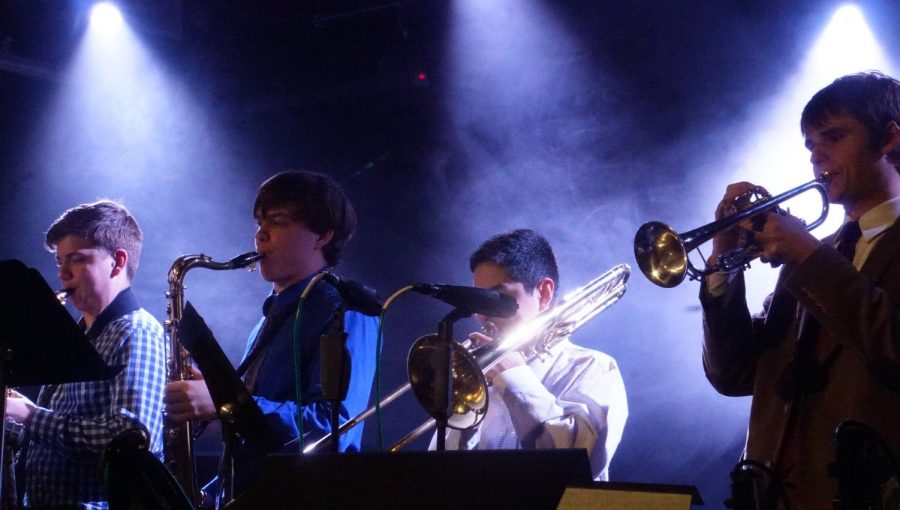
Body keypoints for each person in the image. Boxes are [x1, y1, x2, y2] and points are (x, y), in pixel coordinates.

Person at [701, 71, 900, 508]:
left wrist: (808, 256)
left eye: (833, 137)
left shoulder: (811, 257)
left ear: (888, 139)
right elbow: (735, 374)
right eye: (810, 144)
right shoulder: (816, 254)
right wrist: (722, 265)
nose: (817, 156)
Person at [163, 170, 378, 497]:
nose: (260, 235)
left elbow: (336, 429)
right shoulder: (270, 318)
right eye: (259, 223)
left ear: (322, 235)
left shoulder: (346, 311)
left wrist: (227, 402)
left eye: (277, 221)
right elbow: (256, 438)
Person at [4, 200, 167, 509]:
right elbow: (53, 437)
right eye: (59, 261)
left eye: (77, 260)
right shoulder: (75, 336)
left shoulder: (137, 331)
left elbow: (132, 438)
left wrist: (30, 415)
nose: (63, 274)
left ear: (118, 262)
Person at [431, 229, 628, 481]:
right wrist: (463, 413)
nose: (481, 314)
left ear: (544, 293)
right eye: (479, 299)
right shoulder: (481, 376)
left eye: (497, 296)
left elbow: (578, 464)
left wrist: (515, 380)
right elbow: (441, 479)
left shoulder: (593, 367)